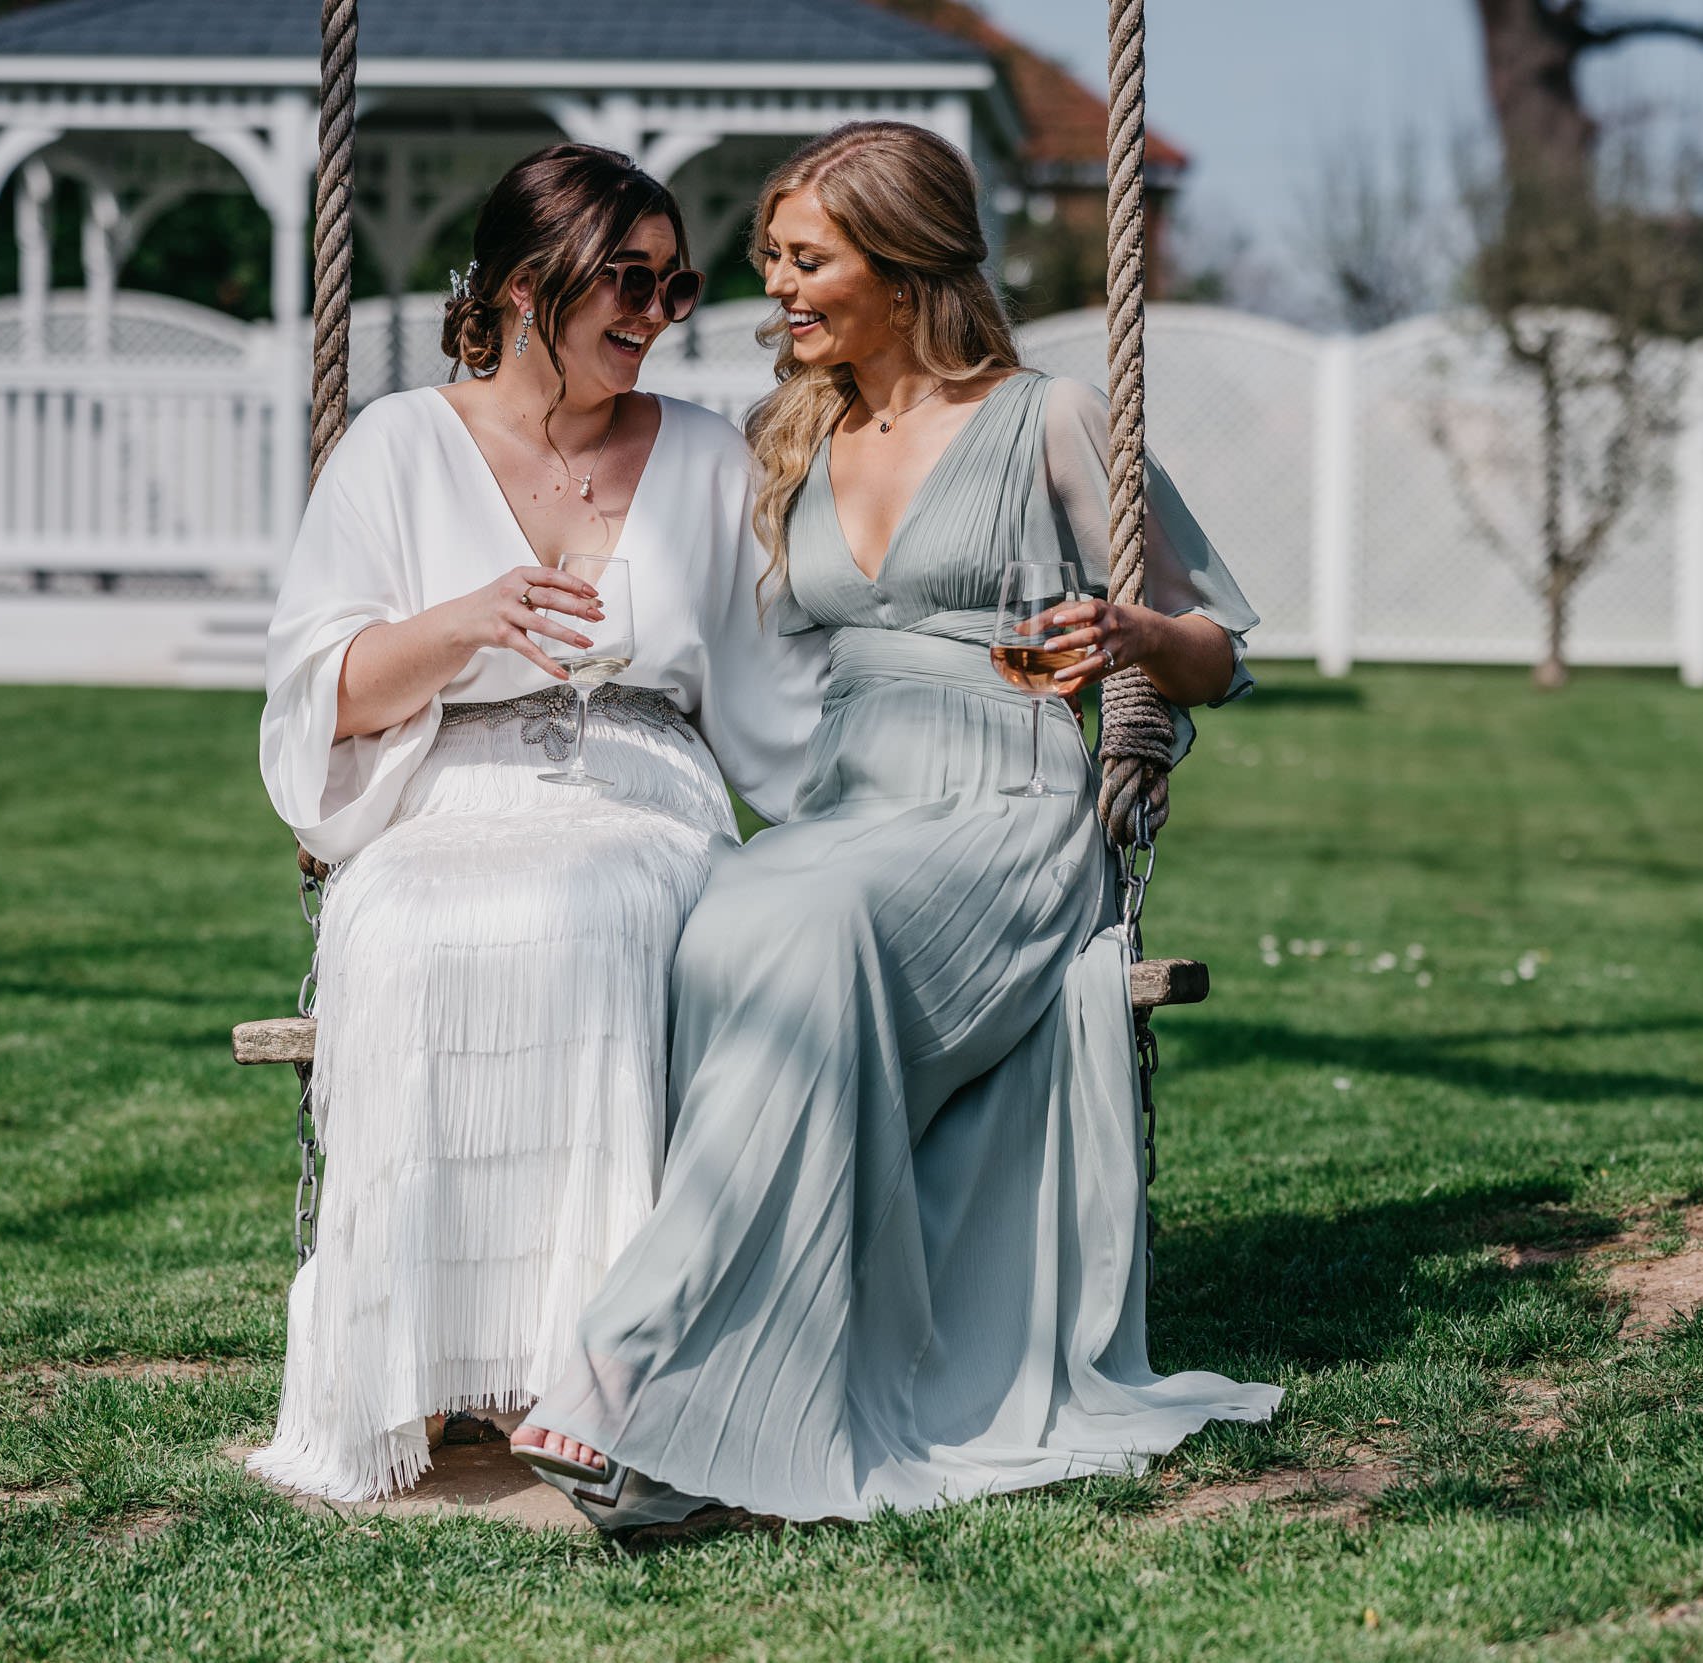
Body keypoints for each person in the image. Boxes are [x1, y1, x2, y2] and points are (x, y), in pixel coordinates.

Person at [512, 121, 1279, 1525]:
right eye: (772, 263)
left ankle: (630, 1356)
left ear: (903, 259)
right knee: (729, 918)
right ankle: (715, 1424)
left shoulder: (1045, 418)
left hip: (1011, 812)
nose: (777, 291)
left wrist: (1128, 638)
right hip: (848, 808)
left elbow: (1220, 647)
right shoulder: (792, 434)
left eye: (807, 261)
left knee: (808, 924)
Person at [247, 145, 825, 1502]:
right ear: (522, 285)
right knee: (405, 928)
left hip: (644, 790)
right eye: (625, 278)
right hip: (445, 790)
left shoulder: (700, 457)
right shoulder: (396, 446)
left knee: (609, 911)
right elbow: (318, 701)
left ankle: (610, 1377)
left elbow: (779, 695)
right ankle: (438, 1372)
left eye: (674, 283)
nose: (656, 309)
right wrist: (463, 624)